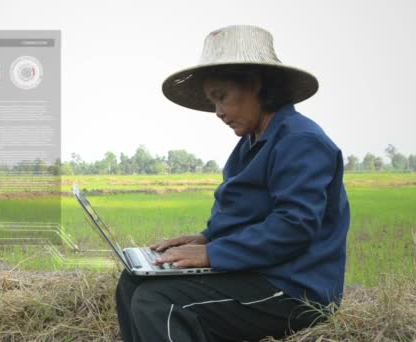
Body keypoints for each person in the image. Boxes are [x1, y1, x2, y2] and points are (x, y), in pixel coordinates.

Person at [115, 25, 350, 341]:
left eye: (221, 97)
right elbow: (248, 215)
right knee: (132, 284)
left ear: (254, 84)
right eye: (212, 102)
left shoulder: (300, 140)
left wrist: (212, 254)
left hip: (294, 288)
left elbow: (293, 226)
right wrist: (205, 239)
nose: (218, 112)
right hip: (258, 273)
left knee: (160, 302)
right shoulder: (251, 144)